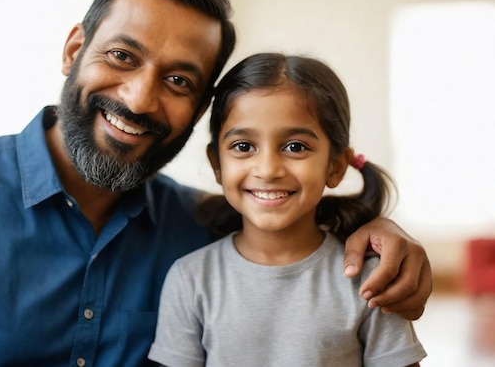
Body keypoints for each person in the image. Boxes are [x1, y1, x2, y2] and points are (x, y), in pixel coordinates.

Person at [0, 0, 430, 366]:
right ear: (73, 51)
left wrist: (382, 235)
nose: (139, 99)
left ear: (201, 108)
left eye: (179, 80)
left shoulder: (198, 226)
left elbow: (289, 227)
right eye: (122, 56)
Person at [148, 53, 428, 367]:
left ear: (335, 167)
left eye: (295, 146)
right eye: (243, 146)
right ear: (217, 164)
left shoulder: (370, 280)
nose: (267, 170)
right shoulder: (190, 279)